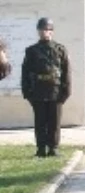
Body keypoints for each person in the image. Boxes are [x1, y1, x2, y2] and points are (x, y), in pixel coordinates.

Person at [20, 17, 70, 158]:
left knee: (54, 121)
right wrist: (27, 92)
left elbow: (66, 71)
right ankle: (41, 149)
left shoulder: (60, 49)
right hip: (38, 90)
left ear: (52, 31)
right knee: (40, 121)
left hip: (55, 90)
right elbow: (25, 72)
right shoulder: (31, 51)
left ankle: (53, 148)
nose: (44, 32)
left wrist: (66, 92)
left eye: (47, 29)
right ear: (38, 31)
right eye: (42, 29)